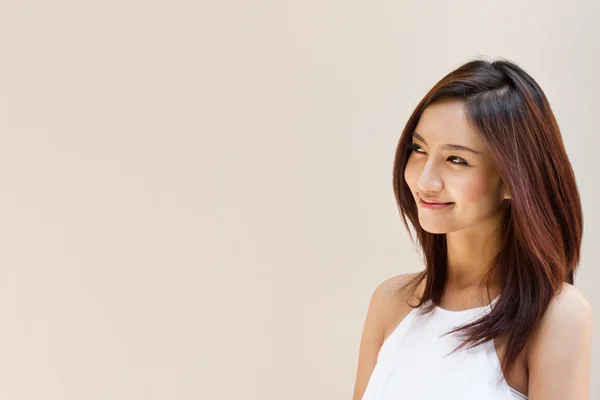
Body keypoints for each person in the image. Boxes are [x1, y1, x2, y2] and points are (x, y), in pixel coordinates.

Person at [352, 58, 594, 400]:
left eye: (456, 159)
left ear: (513, 181)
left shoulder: (555, 316)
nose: (424, 180)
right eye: (419, 149)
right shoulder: (390, 303)